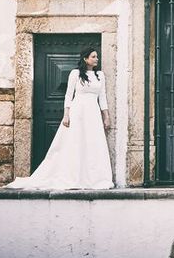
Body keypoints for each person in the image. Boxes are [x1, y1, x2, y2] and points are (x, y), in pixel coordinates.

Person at [7, 47, 114, 190]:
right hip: (78, 111)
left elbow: (102, 97)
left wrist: (106, 117)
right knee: (75, 142)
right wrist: (66, 114)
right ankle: (73, 175)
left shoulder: (100, 75)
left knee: (93, 143)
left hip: (93, 113)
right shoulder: (75, 74)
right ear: (85, 59)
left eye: (97, 57)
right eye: (93, 56)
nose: (97, 59)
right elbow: (69, 95)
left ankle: (93, 177)